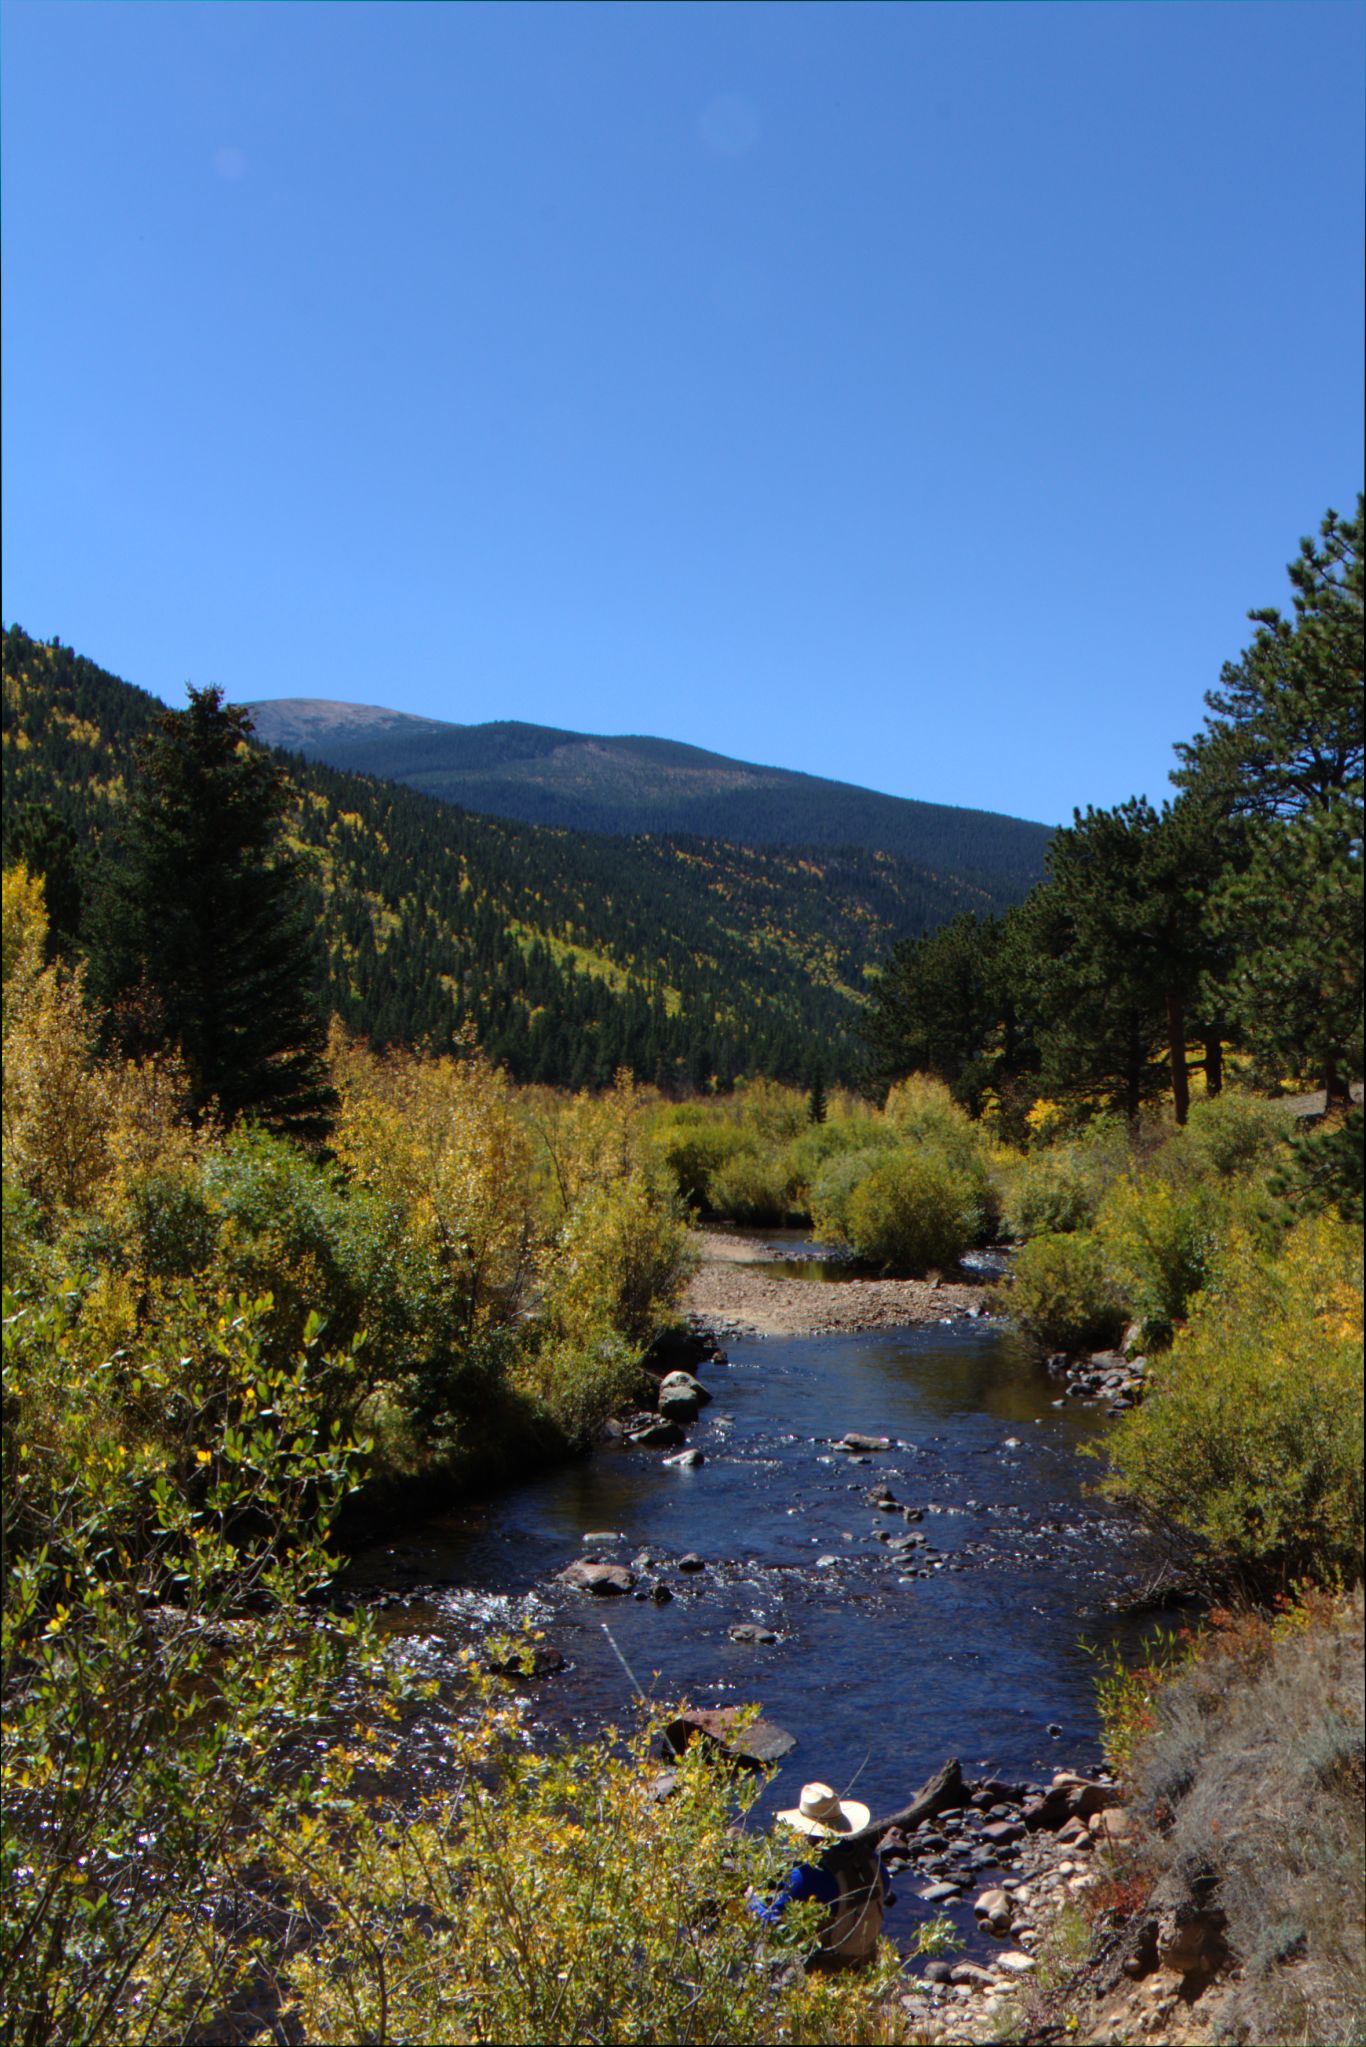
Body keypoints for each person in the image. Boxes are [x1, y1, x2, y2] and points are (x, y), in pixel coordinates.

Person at [751, 1782, 887, 1967]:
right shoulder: (873, 1861)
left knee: (763, 1935)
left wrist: (752, 1900)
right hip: (867, 1960)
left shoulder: (807, 1875)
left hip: (828, 1967)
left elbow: (772, 1920)